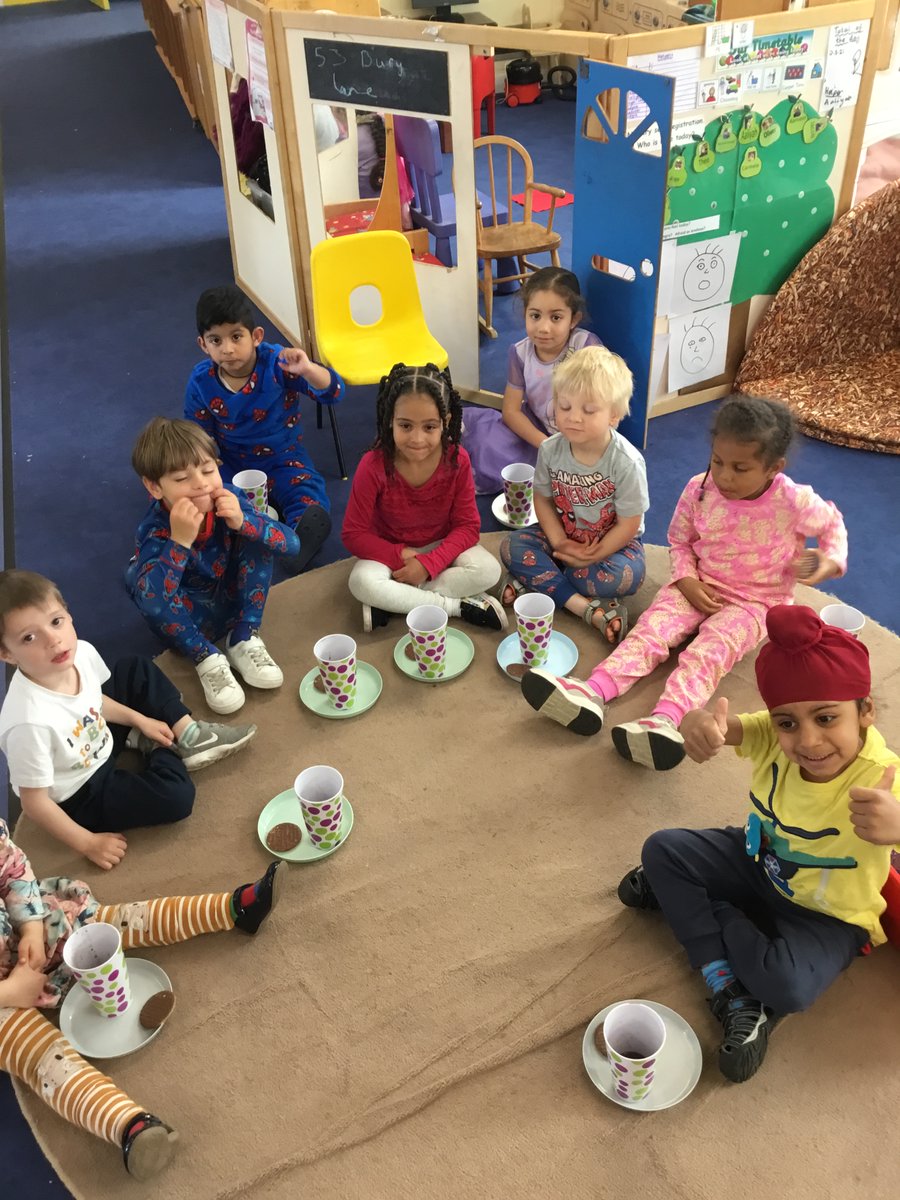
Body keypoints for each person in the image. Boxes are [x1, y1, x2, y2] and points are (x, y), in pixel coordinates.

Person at [617, 604, 900, 1083]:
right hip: (758, 860)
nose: (808, 740)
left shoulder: (884, 776)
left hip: (829, 915)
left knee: (788, 987)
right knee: (661, 848)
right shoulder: (773, 733)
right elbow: (720, 727)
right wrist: (696, 726)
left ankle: (708, 911)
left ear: (866, 711)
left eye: (827, 718)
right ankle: (726, 984)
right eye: (788, 722)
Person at [521, 395, 848, 770]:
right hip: (696, 583)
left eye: (740, 468)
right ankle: (593, 691)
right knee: (650, 632)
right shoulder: (700, 488)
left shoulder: (795, 500)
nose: (724, 476)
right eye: (717, 461)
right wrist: (687, 580)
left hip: (754, 603)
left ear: (774, 467)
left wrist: (828, 560)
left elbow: (832, 525)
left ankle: (666, 720)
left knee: (707, 653)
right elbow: (679, 541)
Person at [0, 818, 283, 1179]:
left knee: (119, 922)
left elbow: (11, 868)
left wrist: (31, 927)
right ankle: (129, 1125)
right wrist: (11, 992)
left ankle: (235, 908)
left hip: (29, 931)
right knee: (39, 1056)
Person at [0, 570, 256, 871]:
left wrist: (141, 719)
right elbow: (35, 803)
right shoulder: (28, 724)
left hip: (98, 732)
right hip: (82, 790)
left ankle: (187, 732)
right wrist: (87, 842)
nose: (53, 641)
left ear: (68, 614)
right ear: (7, 653)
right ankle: (164, 749)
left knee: (134, 669)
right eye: (29, 638)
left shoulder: (80, 653)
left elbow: (94, 701)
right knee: (176, 798)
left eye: (56, 622)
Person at [128, 418, 298, 716]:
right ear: (154, 486)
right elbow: (152, 602)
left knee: (257, 534)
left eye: (208, 470)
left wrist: (245, 522)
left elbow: (292, 545)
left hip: (235, 604)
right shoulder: (154, 529)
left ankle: (244, 636)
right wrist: (179, 543)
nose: (201, 484)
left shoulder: (231, 498)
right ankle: (207, 658)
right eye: (182, 479)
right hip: (189, 622)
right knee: (142, 583)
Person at [184, 284, 344, 571]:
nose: (228, 349)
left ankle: (295, 540)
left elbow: (332, 392)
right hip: (231, 460)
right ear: (202, 344)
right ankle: (244, 529)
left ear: (256, 336)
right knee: (216, 497)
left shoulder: (278, 362)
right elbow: (198, 435)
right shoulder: (201, 381)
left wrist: (308, 369)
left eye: (236, 337)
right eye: (216, 341)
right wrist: (206, 475)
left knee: (306, 492)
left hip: (284, 455)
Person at [341, 363, 505, 633]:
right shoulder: (373, 465)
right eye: (405, 425)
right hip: (393, 552)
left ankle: (395, 599)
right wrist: (401, 555)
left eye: (429, 427)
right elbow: (353, 534)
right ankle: (455, 607)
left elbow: (467, 528)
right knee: (361, 581)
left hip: (441, 546)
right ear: (389, 420)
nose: (417, 439)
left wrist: (429, 564)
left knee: (489, 571)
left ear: (446, 422)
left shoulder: (458, 460)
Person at [499, 346, 647, 640]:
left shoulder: (626, 461)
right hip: (561, 536)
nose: (574, 418)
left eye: (589, 410)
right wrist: (559, 542)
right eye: (564, 407)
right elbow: (541, 498)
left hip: (613, 546)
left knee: (627, 575)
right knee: (510, 546)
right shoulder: (551, 449)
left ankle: (538, 581)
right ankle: (586, 608)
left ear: (614, 415)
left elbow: (630, 524)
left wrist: (595, 552)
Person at [461, 267, 602, 495]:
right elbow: (511, 411)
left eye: (556, 317)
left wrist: (575, 442)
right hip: (536, 427)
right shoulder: (520, 352)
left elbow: (601, 405)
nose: (543, 328)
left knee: (577, 476)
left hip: (580, 432)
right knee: (488, 448)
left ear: (573, 319)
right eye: (535, 316)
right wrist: (544, 444)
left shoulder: (586, 348)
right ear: (525, 313)